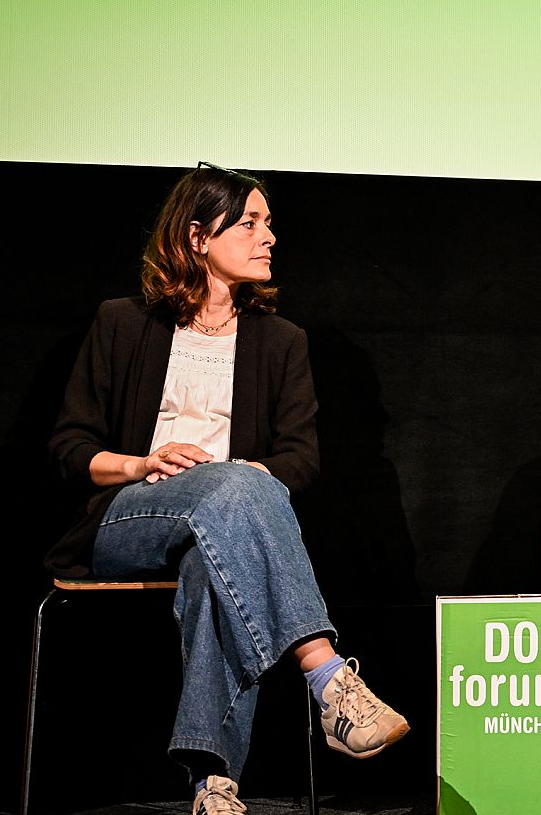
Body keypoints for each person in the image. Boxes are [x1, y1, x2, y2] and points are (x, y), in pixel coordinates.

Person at [46, 163, 410, 814]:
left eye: (269, 223)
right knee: (238, 489)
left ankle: (213, 783)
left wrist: (237, 485)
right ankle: (325, 672)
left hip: (226, 532)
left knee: (216, 558)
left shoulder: (281, 341)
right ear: (197, 237)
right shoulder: (123, 323)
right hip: (129, 518)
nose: (268, 237)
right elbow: (71, 449)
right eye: (249, 223)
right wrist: (142, 463)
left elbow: (300, 460)